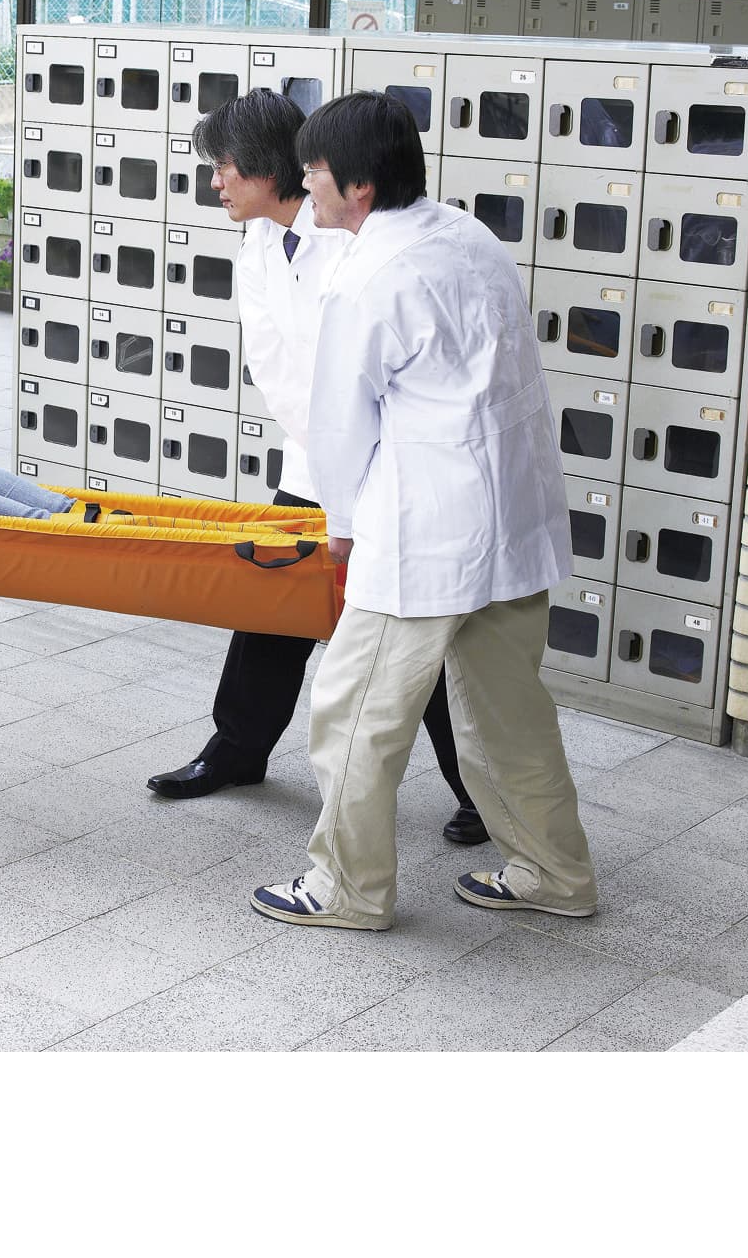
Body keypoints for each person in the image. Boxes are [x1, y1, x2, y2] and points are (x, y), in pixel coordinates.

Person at [251, 91, 597, 931]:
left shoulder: (366, 277)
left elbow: (341, 425)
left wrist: (340, 525)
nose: (307, 183)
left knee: (355, 713)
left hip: (425, 535)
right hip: (514, 521)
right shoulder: (468, 235)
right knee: (509, 716)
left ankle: (348, 888)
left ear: (359, 187)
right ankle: (556, 873)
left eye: (315, 171)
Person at [146, 90, 486, 847]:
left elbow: (367, 371)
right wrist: (323, 452)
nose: (214, 182)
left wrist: (351, 465)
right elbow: (272, 359)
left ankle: (477, 789)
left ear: (267, 171)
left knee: (410, 624)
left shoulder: (349, 237)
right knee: (270, 602)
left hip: (384, 463)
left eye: (223, 167)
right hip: (312, 454)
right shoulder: (261, 237)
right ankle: (237, 750)